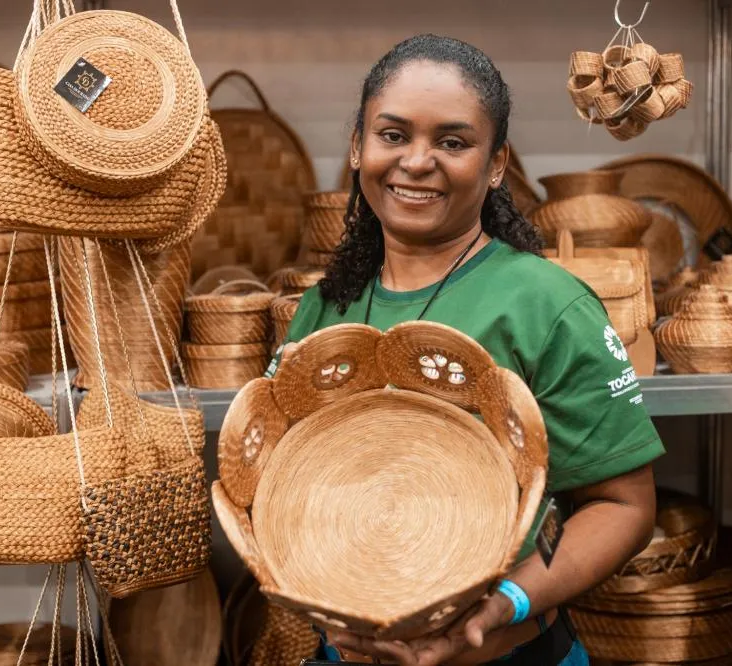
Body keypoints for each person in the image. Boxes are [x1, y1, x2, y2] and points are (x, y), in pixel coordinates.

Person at [267, 33, 663, 666]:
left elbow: (624, 507)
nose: (417, 162)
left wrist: (509, 600)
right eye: (392, 135)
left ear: (497, 163)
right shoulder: (322, 309)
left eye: (452, 142)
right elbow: (284, 485)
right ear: (356, 147)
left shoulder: (548, 305)